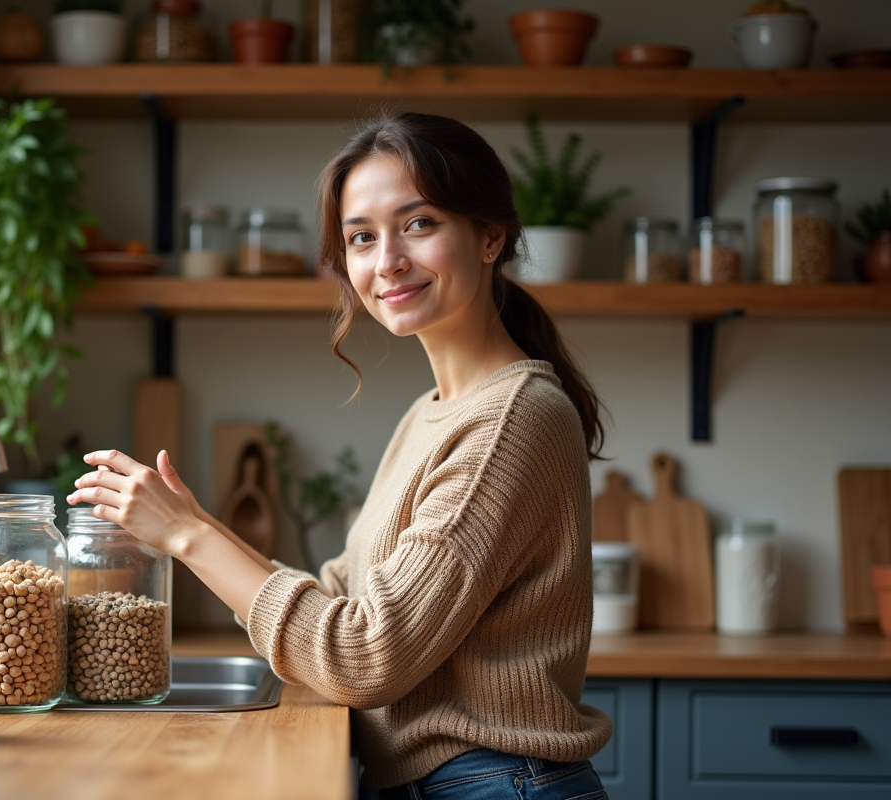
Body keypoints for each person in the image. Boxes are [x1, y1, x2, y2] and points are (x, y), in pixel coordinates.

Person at [68, 112, 612, 800]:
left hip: (497, 783)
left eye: (419, 224)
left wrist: (187, 534)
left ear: (489, 236)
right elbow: (343, 596)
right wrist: (194, 525)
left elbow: (364, 656)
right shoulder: (432, 414)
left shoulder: (511, 421)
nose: (386, 261)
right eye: (361, 237)